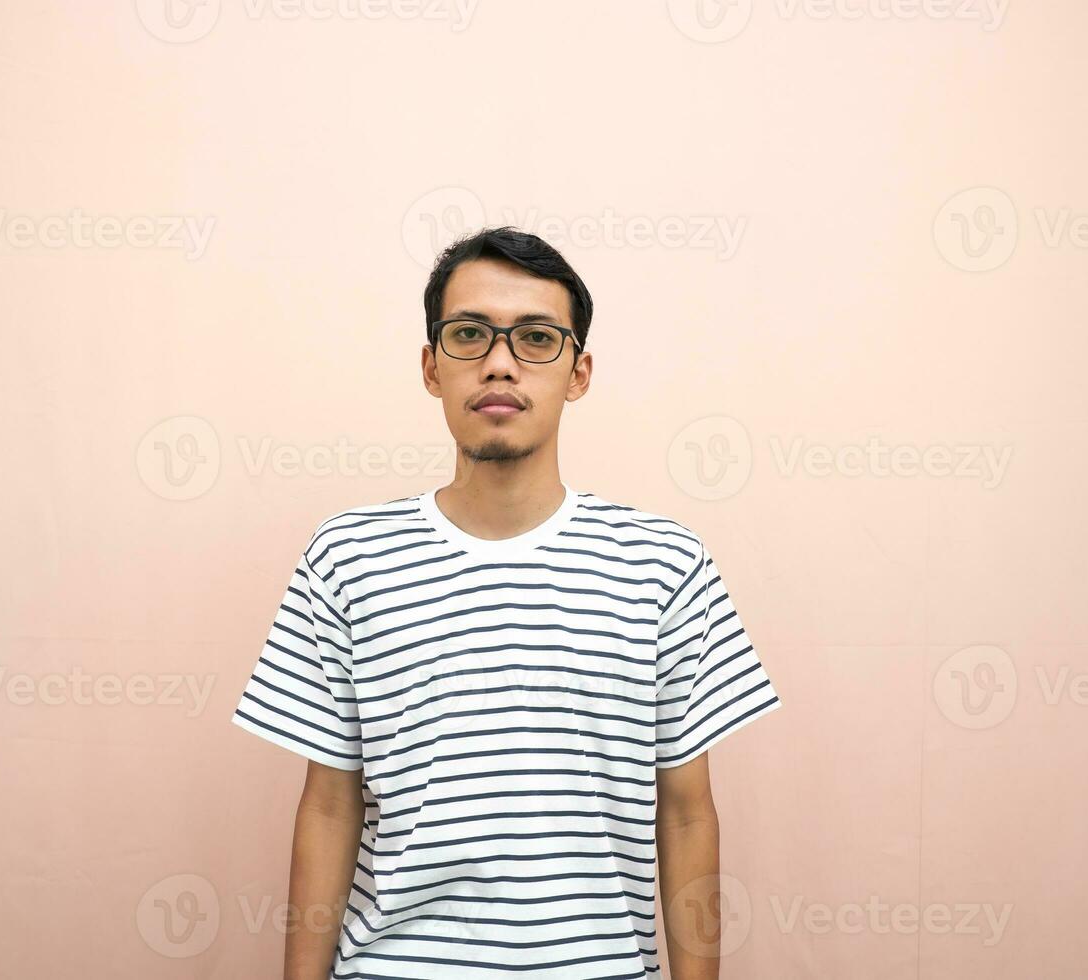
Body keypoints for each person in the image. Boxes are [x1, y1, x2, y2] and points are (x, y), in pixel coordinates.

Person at [231, 226, 783, 979]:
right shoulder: (347, 558)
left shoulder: (665, 564)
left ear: (579, 372)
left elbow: (687, 811)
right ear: (431, 367)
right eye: (469, 335)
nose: (499, 362)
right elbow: (329, 803)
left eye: (535, 338)